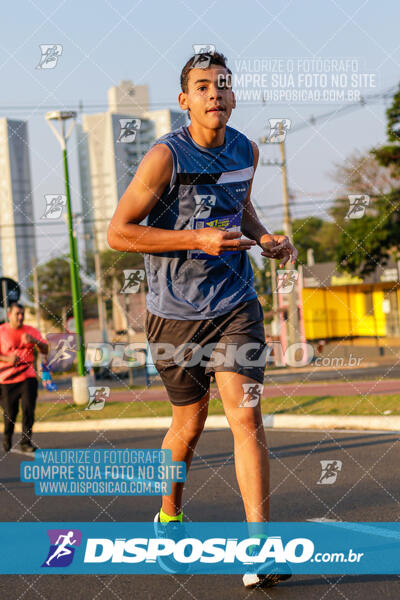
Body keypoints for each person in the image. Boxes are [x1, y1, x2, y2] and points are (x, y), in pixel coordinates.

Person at [107, 51, 298, 588]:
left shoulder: (247, 150)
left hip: (236, 303)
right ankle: (168, 514)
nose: (215, 92)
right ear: (184, 100)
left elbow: (241, 205)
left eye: (223, 84)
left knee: (246, 416)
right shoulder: (164, 156)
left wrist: (263, 240)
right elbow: (119, 232)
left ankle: (259, 548)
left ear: (233, 96)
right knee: (188, 425)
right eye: (202, 86)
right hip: (174, 314)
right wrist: (196, 237)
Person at [0, 302, 48, 453]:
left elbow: (45, 349)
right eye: (17, 314)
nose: (20, 317)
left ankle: (26, 442)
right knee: (10, 414)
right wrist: (7, 359)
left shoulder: (31, 331)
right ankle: (7, 437)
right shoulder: (1, 331)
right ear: (9, 315)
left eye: (22, 314)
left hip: (28, 377)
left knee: (28, 409)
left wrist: (34, 341)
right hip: (7, 380)